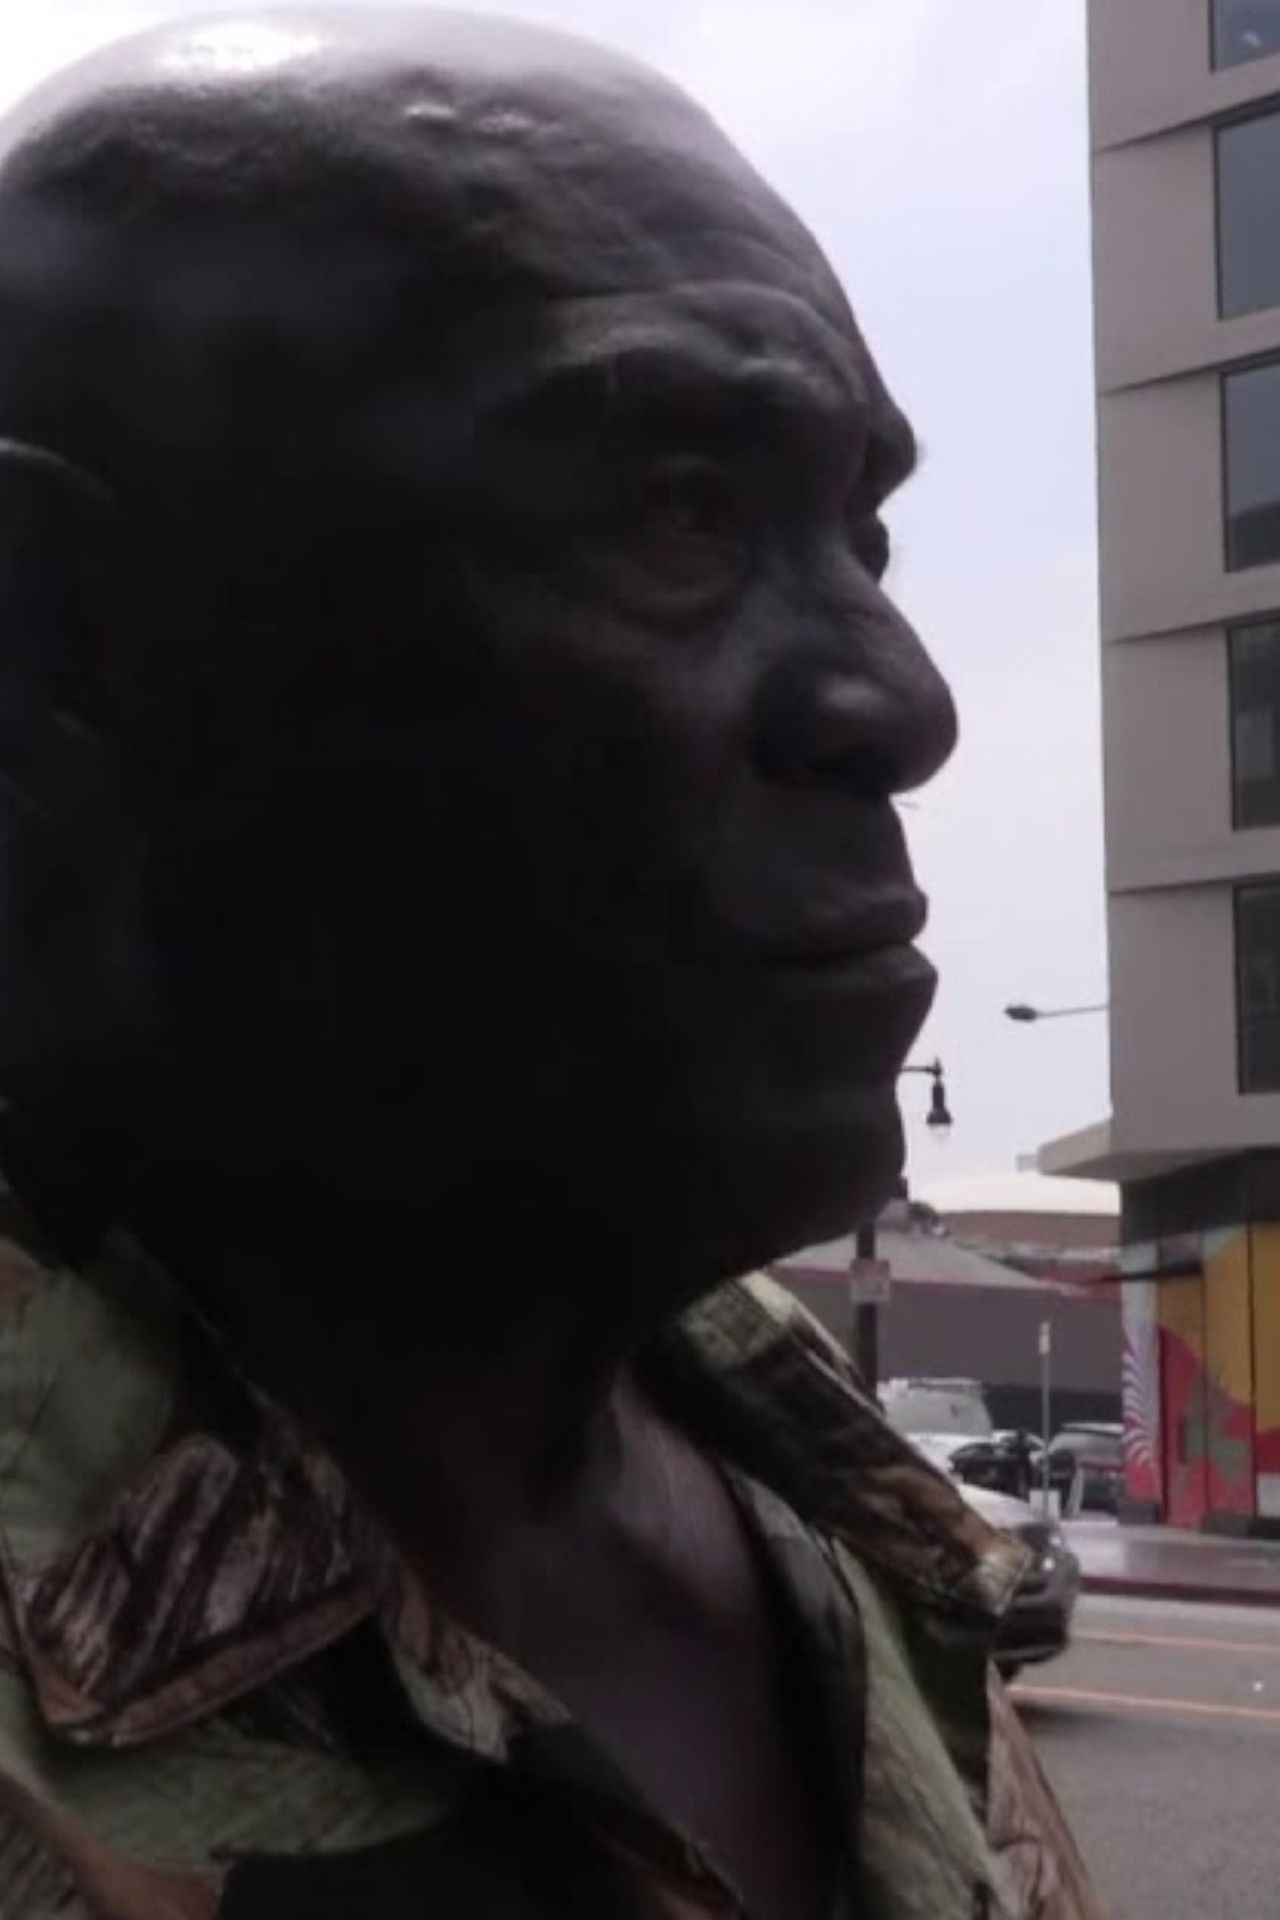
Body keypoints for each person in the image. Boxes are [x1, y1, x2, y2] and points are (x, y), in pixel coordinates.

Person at [0, 12, 1103, 1918]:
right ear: (58, 637)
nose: (900, 704)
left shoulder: (845, 1538)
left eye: (861, 533)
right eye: (677, 510)